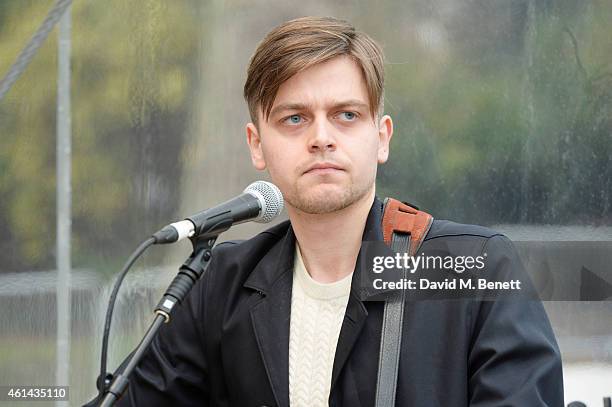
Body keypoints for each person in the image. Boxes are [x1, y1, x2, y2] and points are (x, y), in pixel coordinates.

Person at [116, 16, 564, 407]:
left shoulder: (477, 269)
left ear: (382, 137)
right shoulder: (219, 286)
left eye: (346, 115)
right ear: (256, 144)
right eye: (294, 118)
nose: (321, 138)